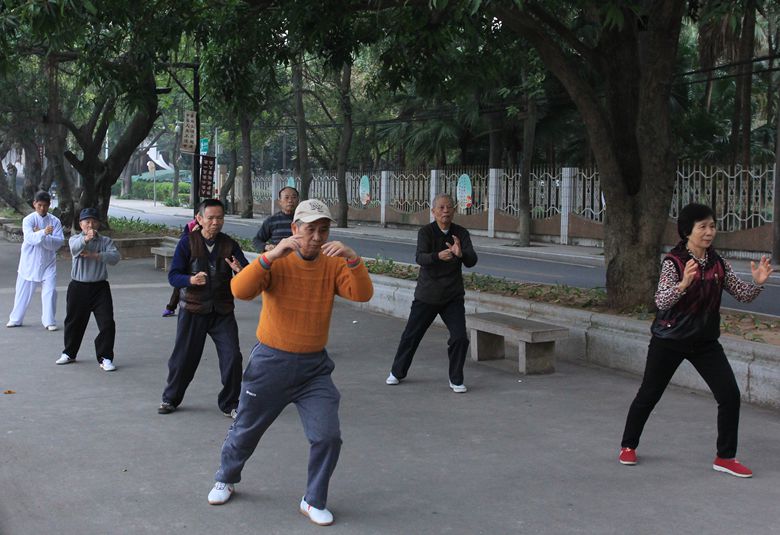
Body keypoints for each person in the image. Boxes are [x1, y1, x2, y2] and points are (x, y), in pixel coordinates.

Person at [207, 199, 373, 527]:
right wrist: (270, 256)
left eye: (323, 230)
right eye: (310, 229)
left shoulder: (333, 263)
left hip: (314, 370)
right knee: (247, 428)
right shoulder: (278, 260)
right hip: (271, 363)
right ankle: (225, 477)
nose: (317, 237)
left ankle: (313, 500)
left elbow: (362, 294)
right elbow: (240, 290)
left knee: (327, 435)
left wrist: (353, 259)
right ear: (295, 229)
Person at [618, 203, 773, 478]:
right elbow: (661, 300)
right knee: (649, 394)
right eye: (702, 227)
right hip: (670, 339)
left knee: (729, 395)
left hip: (705, 342)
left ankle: (725, 457)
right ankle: (628, 445)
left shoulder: (718, 263)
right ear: (687, 231)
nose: (709, 232)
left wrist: (758, 282)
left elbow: (742, 294)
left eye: (712, 226)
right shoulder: (674, 262)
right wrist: (682, 285)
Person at [158, 199, 248, 418]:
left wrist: (240, 270)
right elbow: (173, 276)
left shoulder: (229, 244)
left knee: (232, 356)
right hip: (193, 309)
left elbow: (247, 273)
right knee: (184, 358)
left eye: (220, 218)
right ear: (199, 219)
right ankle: (170, 398)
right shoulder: (187, 243)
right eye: (211, 218)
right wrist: (190, 279)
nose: (216, 222)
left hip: (222, 310)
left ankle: (230, 403)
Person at [385, 193, 478, 393]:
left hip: (452, 296)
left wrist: (461, 253)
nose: (446, 211)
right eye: (441, 207)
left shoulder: (461, 233)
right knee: (411, 336)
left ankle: (456, 379)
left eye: (449, 207)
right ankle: (397, 372)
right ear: (433, 211)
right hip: (427, 295)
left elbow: (472, 260)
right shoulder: (426, 232)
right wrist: (437, 256)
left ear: (454, 210)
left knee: (460, 338)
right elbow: (420, 257)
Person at [55, 208, 121, 371]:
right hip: (78, 286)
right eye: (87, 222)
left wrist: (97, 255)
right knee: (74, 322)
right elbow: (74, 249)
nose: (90, 225)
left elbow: (115, 258)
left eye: (94, 222)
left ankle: (105, 357)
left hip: (100, 287)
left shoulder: (105, 241)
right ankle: (69, 353)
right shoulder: (75, 239)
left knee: (107, 322)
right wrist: (86, 239)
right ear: (81, 224)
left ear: (98, 224)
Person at [7, 190, 64, 330]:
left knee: (50, 291)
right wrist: (44, 233)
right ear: (34, 204)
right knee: (22, 292)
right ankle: (16, 319)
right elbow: (30, 239)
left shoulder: (55, 221)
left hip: (48, 263)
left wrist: (41, 235)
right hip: (29, 262)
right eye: (39, 205)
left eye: (45, 205)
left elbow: (58, 243)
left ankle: (49, 321)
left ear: (49, 205)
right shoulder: (28, 220)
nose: (42, 208)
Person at [162, 218, 200, 317]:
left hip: (201, 262)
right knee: (178, 286)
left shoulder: (209, 225)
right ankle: (170, 308)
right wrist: (192, 233)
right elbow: (184, 240)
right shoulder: (190, 225)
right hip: (188, 262)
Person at [252, 186, 299, 252]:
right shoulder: (271, 220)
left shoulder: (303, 220)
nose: (290, 200)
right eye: (286, 197)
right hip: (278, 256)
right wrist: (266, 246)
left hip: (298, 257)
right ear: (280, 201)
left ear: (298, 200)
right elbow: (257, 240)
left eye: (293, 197)